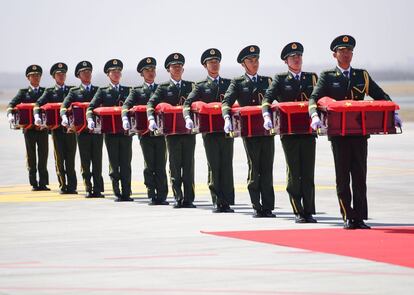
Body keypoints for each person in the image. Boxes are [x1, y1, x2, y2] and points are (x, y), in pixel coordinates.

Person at [308, 35, 402, 229]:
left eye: (349, 50)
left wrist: (393, 113)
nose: (347, 54)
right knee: (342, 177)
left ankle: (359, 217)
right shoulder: (327, 76)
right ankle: (347, 216)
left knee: (359, 177)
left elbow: (380, 95)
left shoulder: (362, 76)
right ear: (335, 54)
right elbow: (314, 98)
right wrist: (314, 116)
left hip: (360, 132)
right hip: (339, 134)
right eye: (342, 51)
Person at [262, 42, 318, 223]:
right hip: (290, 132)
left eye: (299, 56)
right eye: (293, 57)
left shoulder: (312, 78)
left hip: (309, 131)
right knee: (294, 173)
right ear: (286, 61)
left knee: (308, 173)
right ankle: (298, 210)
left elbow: (320, 99)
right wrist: (266, 115)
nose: (297, 59)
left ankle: (309, 210)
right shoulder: (280, 79)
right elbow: (267, 99)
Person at [221, 45, 275, 218]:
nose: (255, 63)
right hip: (250, 131)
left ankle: (268, 206)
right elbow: (226, 102)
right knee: (254, 167)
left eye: (256, 60)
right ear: (243, 64)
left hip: (267, 130)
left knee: (267, 168)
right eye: (251, 61)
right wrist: (227, 118)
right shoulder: (237, 82)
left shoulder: (267, 81)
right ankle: (256, 205)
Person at [183, 48, 235, 213]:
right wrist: (189, 118)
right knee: (214, 165)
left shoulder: (229, 84)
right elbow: (187, 104)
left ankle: (227, 201)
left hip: (227, 130)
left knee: (227, 165)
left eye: (216, 61)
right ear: (205, 66)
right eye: (211, 62)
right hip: (210, 132)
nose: (214, 64)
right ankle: (216, 200)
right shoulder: (200, 86)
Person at [146, 53, 196, 208]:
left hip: (188, 132)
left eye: (180, 66)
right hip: (172, 133)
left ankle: (188, 198)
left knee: (188, 167)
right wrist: (151, 119)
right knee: (174, 166)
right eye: (174, 66)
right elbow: (151, 104)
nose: (177, 68)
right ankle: (177, 197)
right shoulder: (163, 88)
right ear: (168, 69)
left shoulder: (191, 86)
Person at [122, 57, 169, 205]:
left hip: (161, 133)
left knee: (161, 164)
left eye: (153, 69)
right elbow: (126, 106)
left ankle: (162, 194)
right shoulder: (137, 91)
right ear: (142, 74)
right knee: (149, 164)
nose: (151, 72)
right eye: (147, 70)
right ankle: (151, 191)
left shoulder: (162, 89)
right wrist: (126, 119)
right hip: (145, 134)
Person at [87, 59, 133, 202]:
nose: (117, 74)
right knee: (114, 163)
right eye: (114, 72)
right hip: (110, 133)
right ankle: (117, 191)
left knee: (126, 163)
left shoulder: (128, 90)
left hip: (125, 133)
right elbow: (91, 107)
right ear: (108, 74)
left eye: (119, 71)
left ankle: (126, 191)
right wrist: (90, 120)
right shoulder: (103, 91)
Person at [60, 61, 104, 198]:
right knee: (85, 160)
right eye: (84, 72)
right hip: (82, 132)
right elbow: (63, 106)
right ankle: (88, 187)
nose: (87, 74)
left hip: (96, 131)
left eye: (89, 71)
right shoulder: (74, 92)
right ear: (79, 75)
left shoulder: (98, 90)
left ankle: (97, 188)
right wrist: (64, 119)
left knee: (97, 160)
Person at [34, 62, 77, 194]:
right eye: (59, 74)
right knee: (60, 158)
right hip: (57, 130)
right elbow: (38, 104)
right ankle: (63, 185)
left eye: (63, 74)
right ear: (54, 76)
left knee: (71, 159)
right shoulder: (49, 92)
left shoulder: (72, 90)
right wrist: (40, 118)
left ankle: (72, 186)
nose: (61, 76)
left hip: (70, 130)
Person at [7, 65, 50, 191]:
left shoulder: (45, 91)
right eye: (33, 75)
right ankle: (33, 183)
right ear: (28, 78)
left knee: (43, 156)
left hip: (42, 129)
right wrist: (10, 114)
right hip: (29, 129)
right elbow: (11, 104)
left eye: (38, 75)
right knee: (31, 157)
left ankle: (43, 183)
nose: (36, 78)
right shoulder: (23, 92)